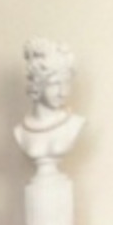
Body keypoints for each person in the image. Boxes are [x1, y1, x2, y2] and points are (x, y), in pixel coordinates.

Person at [14, 37, 85, 165]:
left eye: (66, 84)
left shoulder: (75, 123)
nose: (62, 92)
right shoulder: (20, 131)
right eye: (55, 84)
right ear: (37, 84)